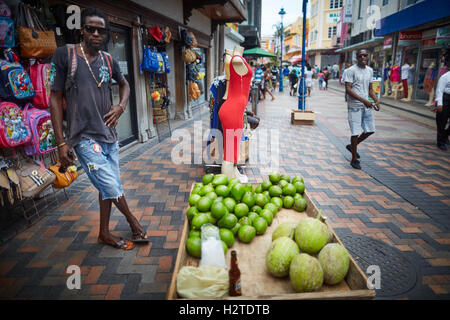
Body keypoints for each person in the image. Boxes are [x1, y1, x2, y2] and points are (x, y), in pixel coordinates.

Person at [49, 7, 149, 250]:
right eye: (90, 28)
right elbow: (55, 98)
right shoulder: (65, 55)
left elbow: (125, 84)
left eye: (100, 30)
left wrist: (121, 106)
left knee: (107, 186)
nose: (95, 33)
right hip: (83, 137)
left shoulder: (108, 59)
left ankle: (104, 232)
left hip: (109, 135)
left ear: (107, 34)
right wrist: (61, 143)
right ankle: (133, 221)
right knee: (112, 185)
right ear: (82, 31)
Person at [344, 48, 380, 170]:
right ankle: (354, 159)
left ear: (368, 56)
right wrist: (364, 101)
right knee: (355, 132)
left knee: (370, 130)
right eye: (360, 56)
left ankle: (352, 146)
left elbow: (370, 89)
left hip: (366, 106)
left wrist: (375, 100)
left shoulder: (370, 71)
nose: (363, 58)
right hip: (355, 106)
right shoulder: (351, 70)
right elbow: (348, 89)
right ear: (357, 58)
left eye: (365, 55)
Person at [434, 50, 450, 151]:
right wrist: (440, 104)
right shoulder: (445, 77)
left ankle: (445, 135)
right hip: (445, 99)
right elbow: (439, 91)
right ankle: (440, 142)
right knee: (442, 122)